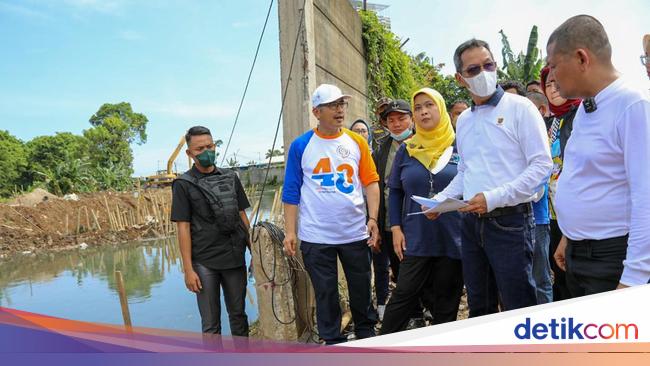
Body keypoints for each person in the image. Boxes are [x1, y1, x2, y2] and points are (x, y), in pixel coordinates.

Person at [428, 39, 552, 317]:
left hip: (511, 223)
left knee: (519, 306)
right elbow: (465, 171)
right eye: (473, 70)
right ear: (460, 79)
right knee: (480, 305)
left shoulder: (521, 108)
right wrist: (439, 200)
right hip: (471, 224)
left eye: (488, 65)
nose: (483, 73)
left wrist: (494, 198)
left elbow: (541, 166)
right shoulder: (465, 121)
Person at [547, 15, 650, 294]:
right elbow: (585, 177)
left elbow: (646, 197)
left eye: (554, 65)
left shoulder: (632, 105)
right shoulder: (585, 109)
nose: (551, 76)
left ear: (582, 58)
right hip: (578, 254)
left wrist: (634, 278)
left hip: (611, 260)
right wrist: (569, 236)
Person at [282, 83, 381, 344]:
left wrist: (372, 219)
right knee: (325, 292)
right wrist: (290, 232)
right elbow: (291, 191)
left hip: (354, 232)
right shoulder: (301, 146)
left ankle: (366, 333)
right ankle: (332, 340)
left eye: (342, 104)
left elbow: (371, 182)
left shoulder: (356, 142)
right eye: (332, 105)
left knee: (361, 287)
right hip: (316, 236)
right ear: (317, 111)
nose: (340, 110)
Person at [380, 88, 463, 334]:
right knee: (403, 295)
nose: (424, 111)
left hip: (453, 236)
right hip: (417, 237)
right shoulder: (408, 149)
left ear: (440, 108)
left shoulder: (460, 145)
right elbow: (395, 191)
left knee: (446, 303)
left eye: (429, 105)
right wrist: (395, 227)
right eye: (418, 108)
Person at [171, 126, 251, 336]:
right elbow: (183, 227)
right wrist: (188, 269)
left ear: (215, 146)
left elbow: (242, 215)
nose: (206, 151)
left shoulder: (230, 177)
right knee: (211, 323)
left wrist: (255, 250)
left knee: (239, 316)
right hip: (204, 262)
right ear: (189, 153)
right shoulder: (183, 184)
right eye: (199, 149)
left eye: (209, 146)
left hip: (234, 257)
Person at [539, 66, 581, 301]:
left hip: (578, 212)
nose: (553, 89)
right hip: (552, 212)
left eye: (557, 82)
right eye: (548, 84)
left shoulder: (582, 115)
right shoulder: (551, 123)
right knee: (560, 275)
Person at [371, 99, 414, 320]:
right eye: (391, 120)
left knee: (421, 266)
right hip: (390, 221)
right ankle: (412, 314)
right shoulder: (381, 150)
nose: (396, 124)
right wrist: (376, 224)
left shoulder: (424, 142)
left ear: (411, 119)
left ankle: (427, 307)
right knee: (399, 269)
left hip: (418, 220)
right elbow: (376, 187)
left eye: (401, 118)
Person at [525, 91, 554, 304]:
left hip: (537, 220)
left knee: (540, 278)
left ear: (541, 111)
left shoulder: (543, 138)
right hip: (513, 219)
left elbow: (539, 188)